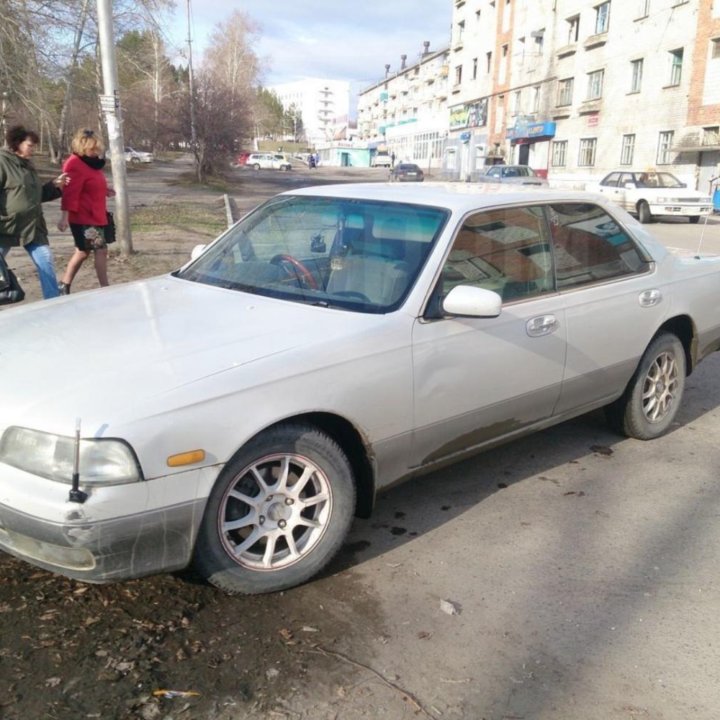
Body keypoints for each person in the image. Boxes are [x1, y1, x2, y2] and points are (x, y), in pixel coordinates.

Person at [0, 125, 69, 299]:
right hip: (8, 226)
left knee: (45, 261)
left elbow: (35, 196)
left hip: (33, 226)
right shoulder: (2, 162)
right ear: (17, 143)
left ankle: (53, 302)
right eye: (30, 145)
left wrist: (55, 186)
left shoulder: (28, 166)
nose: (33, 149)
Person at [57, 129, 115, 293]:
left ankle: (64, 284)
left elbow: (91, 185)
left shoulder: (92, 163)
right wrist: (64, 217)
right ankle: (105, 288)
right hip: (84, 217)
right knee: (101, 251)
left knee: (83, 252)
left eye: (97, 148)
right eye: (92, 148)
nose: (95, 152)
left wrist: (105, 190)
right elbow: (70, 193)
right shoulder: (74, 164)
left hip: (97, 215)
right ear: (82, 147)